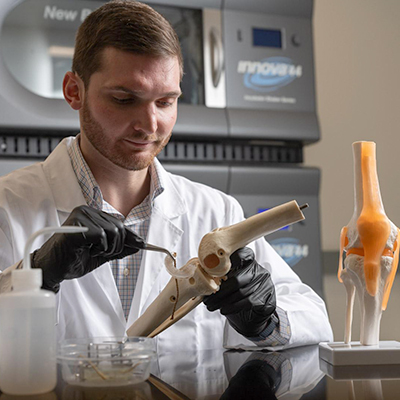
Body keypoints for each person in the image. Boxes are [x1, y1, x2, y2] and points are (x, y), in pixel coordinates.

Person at [0, 0, 333, 353]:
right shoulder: (9, 207)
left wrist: (266, 319)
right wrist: (35, 277)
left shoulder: (215, 211)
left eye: (165, 102)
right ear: (74, 91)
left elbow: (315, 317)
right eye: (124, 99)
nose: (150, 125)